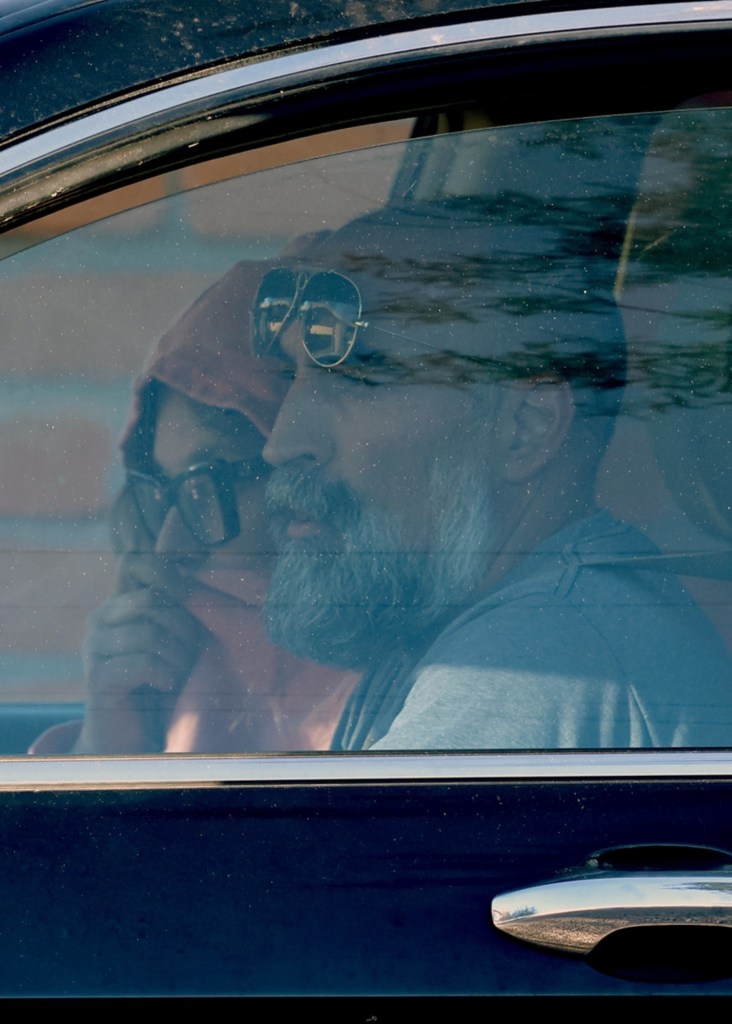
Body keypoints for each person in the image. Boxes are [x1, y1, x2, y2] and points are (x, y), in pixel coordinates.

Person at [252, 120, 732, 750]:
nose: (280, 444)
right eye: (295, 377)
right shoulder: (479, 627)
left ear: (524, 429)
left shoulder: (535, 658)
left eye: (359, 377)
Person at [31, 259, 357, 755]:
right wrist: (109, 743)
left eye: (206, 485)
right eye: (159, 492)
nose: (169, 545)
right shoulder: (174, 663)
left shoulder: (402, 694)